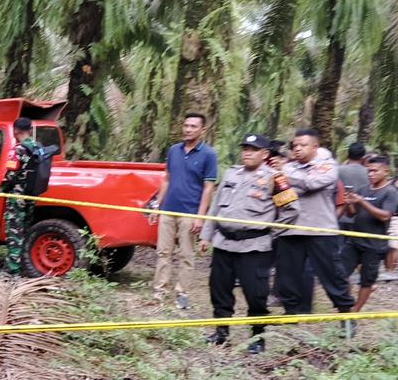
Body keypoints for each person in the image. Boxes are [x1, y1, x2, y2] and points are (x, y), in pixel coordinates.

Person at [198, 134, 299, 354]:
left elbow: (292, 210)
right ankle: (221, 333)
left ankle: (257, 338)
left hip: (254, 246)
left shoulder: (276, 178)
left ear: (264, 154)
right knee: (219, 290)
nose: (247, 153)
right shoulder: (231, 173)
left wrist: (271, 232)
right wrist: (206, 235)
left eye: (253, 149)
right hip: (224, 243)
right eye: (245, 148)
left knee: (256, 294)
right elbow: (216, 206)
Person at [276, 129, 356, 329]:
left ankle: (346, 316)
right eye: (295, 146)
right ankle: (290, 316)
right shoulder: (289, 166)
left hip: (320, 229)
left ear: (315, 146)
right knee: (287, 276)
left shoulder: (328, 165)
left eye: (303, 145)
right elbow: (280, 193)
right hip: (291, 229)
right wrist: (290, 176)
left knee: (332, 275)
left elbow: (313, 183)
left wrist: (287, 175)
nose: (298, 149)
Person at [150, 113, 218, 309]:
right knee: (163, 252)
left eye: (193, 126)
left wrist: (200, 217)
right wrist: (157, 206)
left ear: (202, 130)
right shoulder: (174, 150)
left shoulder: (209, 154)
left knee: (186, 254)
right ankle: (160, 290)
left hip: (190, 213)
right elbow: (166, 179)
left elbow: (208, 188)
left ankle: (181, 292)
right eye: (186, 125)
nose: (188, 129)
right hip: (168, 210)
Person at [341, 156, 397, 312]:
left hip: (374, 245)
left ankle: (355, 310)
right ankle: (346, 305)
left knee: (367, 280)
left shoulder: (390, 192)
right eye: (369, 171)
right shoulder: (363, 189)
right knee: (340, 273)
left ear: (386, 171)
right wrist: (348, 203)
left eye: (374, 171)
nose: (370, 174)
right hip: (354, 240)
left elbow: (385, 215)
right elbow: (352, 214)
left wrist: (361, 201)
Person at [0, 117, 39, 275]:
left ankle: (13, 271)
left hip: (17, 196)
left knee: (14, 233)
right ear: (29, 130)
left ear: (16, 131)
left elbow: (11, 175)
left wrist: (1, 188)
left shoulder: (18, 150)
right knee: (25, 231)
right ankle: (22, 264)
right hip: (31, 195)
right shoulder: (37, 147)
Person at [338, 143, 369, 240]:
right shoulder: (370, 172)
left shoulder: (338, 170)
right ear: (363, 157)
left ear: (347, 155)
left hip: (340, 216)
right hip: (360, 218)